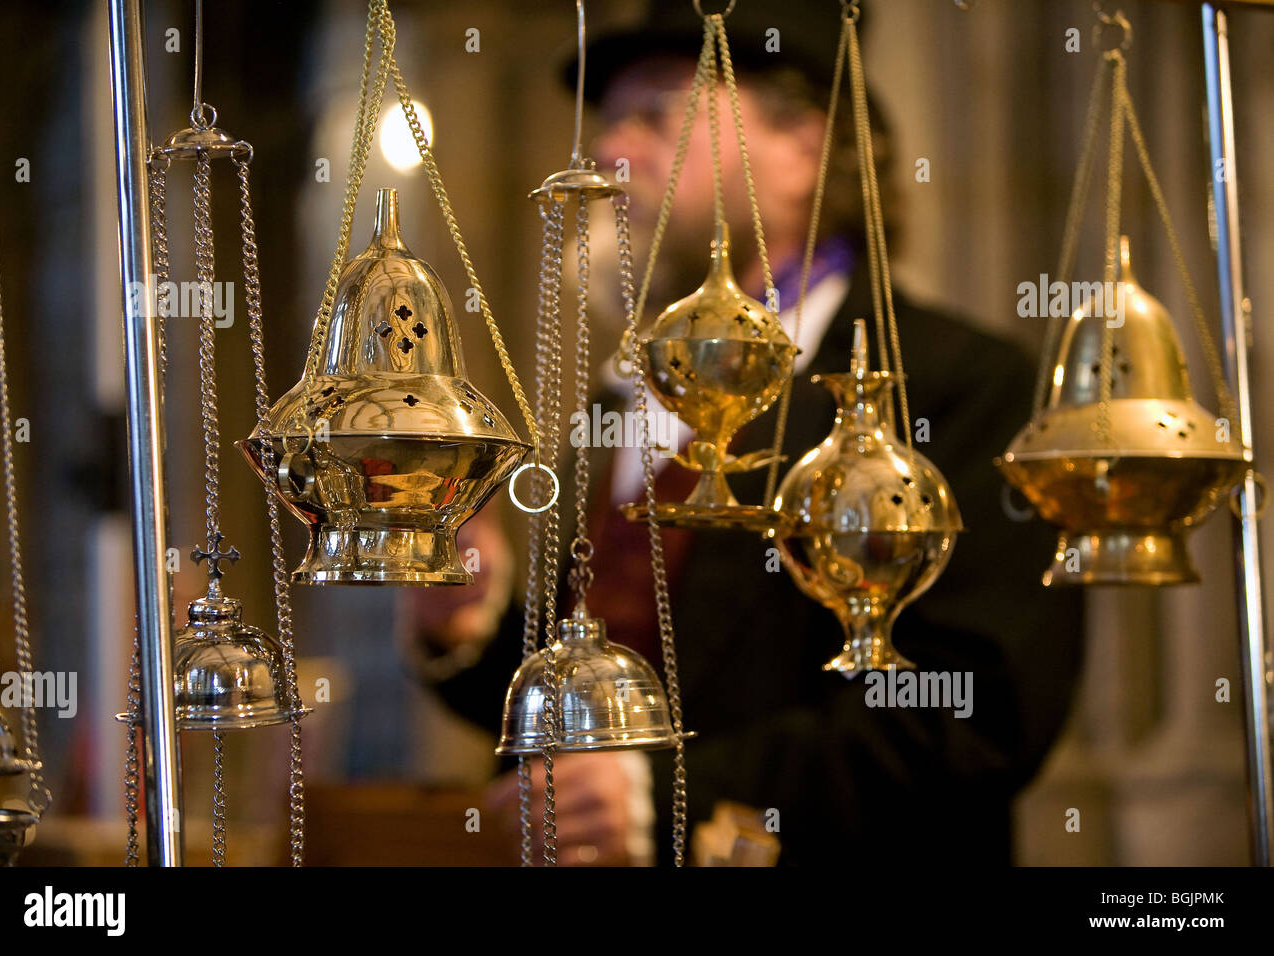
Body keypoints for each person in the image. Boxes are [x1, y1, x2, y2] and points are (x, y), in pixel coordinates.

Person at [409, 0, 1084, 867]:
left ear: (804, 148)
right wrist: (469, 620)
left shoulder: (959, 383)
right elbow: (590, 676)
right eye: (608, 120)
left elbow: (979, 712)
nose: (611, 153)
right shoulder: (628, 394)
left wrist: (666, 799)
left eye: (654, 114)